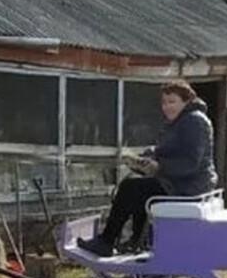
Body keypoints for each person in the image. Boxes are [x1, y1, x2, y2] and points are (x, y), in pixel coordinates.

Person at [77, 80, 218, 258]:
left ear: (186, 101)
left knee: (130, 188)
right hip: (180, 182)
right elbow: (168, 149)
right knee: (137, 186)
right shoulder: (181, 121)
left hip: (189, 186)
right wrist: (145, 158)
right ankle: (136, 241)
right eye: (164, 102)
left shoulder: (194, 121)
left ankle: (107, 241)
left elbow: (190, 163)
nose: (167, 107)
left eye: (172, 102)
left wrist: (159, 167)